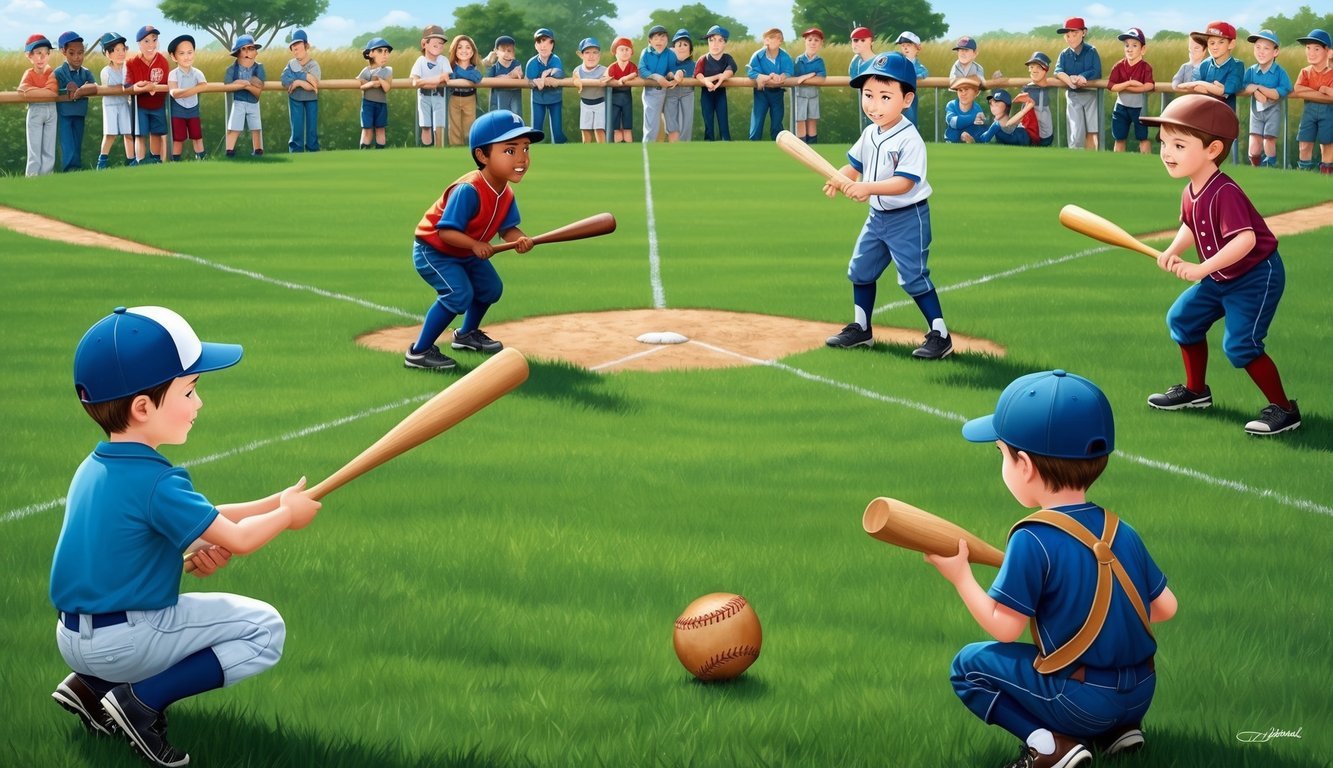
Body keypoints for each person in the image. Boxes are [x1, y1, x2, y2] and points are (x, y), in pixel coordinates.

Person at [51, 305, 321, 767]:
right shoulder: (157, 481)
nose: (199, 404)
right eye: (189, 391)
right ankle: (139, 702)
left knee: (191, 618)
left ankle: (90, 689)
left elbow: (202, 521)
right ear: (142, 408)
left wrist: (273, 502)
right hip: (126, 641)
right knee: (264, 629)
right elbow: (235, 538)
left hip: (73, 638)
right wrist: (286, 517)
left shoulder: (95, 468)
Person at [932, 369, 1177, 768]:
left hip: (1080, 702)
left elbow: (1004, 627)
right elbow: (1166, 608)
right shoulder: (1121, 531)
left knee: (967, 667)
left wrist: (960, 576)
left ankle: (1048, 745)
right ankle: (1119, 732)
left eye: (1002, 454)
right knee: (1094, 679)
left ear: (1024, 464)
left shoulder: (1032, 538)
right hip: (1141, 693)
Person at [1139, 95, 1302, 435]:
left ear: (1212, 150)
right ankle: (1196, 392)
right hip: (1222, 274)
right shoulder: (1191, 190)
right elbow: (1191, 225)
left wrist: (1200, 269)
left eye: (1179, 145)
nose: (1167, 153)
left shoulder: (1225, 191)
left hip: (1256, 277)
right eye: (1164, 143)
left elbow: (1246, 241)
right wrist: (1172, 250)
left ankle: (1285, 410)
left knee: (1241, 346)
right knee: (1182, 319)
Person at [823, 53, 953, 360]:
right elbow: (854, 165)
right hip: (877, 218)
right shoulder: (870, 132)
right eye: (868, 96)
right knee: (860, 270)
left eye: (885, 97)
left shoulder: (910, 139)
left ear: (907, 99)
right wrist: (837, 177)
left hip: (908, 218)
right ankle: (861, 329)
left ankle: (940, 335)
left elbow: (904, 183)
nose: (873, 105)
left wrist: (866, 187)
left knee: (913, 277)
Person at [405, 110, 541, 371]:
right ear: (482, 155)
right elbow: (445, 232)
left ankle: (466, 335)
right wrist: (475, 245)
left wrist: (521, 240)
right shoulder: (469, 190)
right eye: (510, 151)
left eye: (526, 149)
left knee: (491, 288)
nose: (522, 158)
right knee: (458, 294)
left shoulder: (505, 192)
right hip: (434, 251)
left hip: (464, 251)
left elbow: (508, 228)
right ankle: (419, 352)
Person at [1241, 30, 1291, 167]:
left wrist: (1258, 88)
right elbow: (1243, 87)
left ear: (1275, 52)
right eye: (1257, 47)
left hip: (1272, 110)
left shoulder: (1280, 72)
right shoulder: (1251, 70)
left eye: (1266, 48)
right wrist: (1254, 90)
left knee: (1268, 140)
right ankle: (1255, 167)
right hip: (1256, 111)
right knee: (1254, 141)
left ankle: (1270, 165)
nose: (1261, 52)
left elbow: (1280, 91)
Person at [53, 31, 99, 172]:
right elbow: (54, 90)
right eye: (72, 53)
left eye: (80, 53)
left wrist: (83, 90)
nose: (77, 57)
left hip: (80, 111)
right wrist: (66, 91)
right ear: (64, 52)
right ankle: (70, 168)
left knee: (77, 140)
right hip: (65, 113)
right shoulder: (59, 72)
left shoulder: (86, 72)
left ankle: (76, 167)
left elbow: (95, 86)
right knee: (67, 142)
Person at [1054, 17, 1102, 150]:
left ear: (1083, 33)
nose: (1070, 38)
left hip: (1091, 95)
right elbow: (1058, 71)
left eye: (1074, 34)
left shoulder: (1091, 51)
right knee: (1076, 130)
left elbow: (1096, 71)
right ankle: (1074, 158)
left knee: (1093, 129)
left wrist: (1082, 76)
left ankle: (1093, 159)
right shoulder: (1064, 54)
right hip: (1073, 95)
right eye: (1067, 35)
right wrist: (1070, 81)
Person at [126, 25, 169, 163]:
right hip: (140, 106)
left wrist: (153, 86)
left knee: (156, 133)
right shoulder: (132, 62)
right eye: (146, 41)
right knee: (140, 134)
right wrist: (139, 87)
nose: (151, 44)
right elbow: (127, 85)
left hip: (158, 104)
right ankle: (140, 160)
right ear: (139, 44)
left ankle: (156, 159)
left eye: (154, 40)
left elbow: (167, 83)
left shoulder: (163, 61)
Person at [1292, 28, 1333, 173]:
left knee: (1327, 144)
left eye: (1316, 49)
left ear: (1328, 51)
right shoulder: (1305, 71)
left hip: (1328, 114)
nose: (1311, 52)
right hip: (1308, 113)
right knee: (1304, 143)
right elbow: (1298, 89)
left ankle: (1326, 174)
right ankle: (1303, 172)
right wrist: (1322, 93)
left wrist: (1327, 91)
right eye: (1308, 48)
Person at [18, 34, 59, 177]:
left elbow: (53, 93)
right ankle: (31, 179)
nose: (41, 58)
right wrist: (43, 91)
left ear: (49, 54)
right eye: (37, 53)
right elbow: (23, 90)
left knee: (49, 148)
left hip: (51, 110)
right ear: (29, 56)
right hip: (35, 110)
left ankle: (47, 179)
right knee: (34, 149)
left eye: (44, 53)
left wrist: (33, 91)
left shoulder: (51, 72)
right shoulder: (28, 73)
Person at [1108, 28, 1154, 154]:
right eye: (1127, 45)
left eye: (1134, 45)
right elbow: (1111, 86)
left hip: (1139, 108)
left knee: (1143, 137)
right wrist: (1130, 83)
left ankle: (1146, 163)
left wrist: (1125, 87)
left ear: (1143, 49)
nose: (1129, 49)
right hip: (1121, 107)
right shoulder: (1119, 66)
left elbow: (1149, 85)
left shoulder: (1146, 67)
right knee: (1119, 137)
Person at [95, 32, 136, 169]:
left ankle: (131, 160)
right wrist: (124, 88)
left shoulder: (127, 68)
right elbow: (110, 88)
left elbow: (128, 84)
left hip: (124, 103)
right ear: (107, 53)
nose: (120, 53)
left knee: (128, 133)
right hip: (110, 105)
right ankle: (102, 161)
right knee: (110, 134)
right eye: (116, 50)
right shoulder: (106, 71)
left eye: (123, 49)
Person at [1181, 21, 1242, 110]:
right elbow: (1195, 84)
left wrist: (1200, 83)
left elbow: (1226, 89)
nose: (1215, 47)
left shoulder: (1237, 65)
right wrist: (1207, 86)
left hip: (1225, 113)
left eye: (1221, 42)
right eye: (1212, 43)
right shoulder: (1205, 64)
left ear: (1231, 44)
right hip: (1204, 111)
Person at [746, 27, 793, 141]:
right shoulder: (758, 55)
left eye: (778, 38)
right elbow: (750, 71)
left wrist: (783, 76)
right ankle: (754, 145)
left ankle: (778, 145)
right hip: (761, 92)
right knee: (758, 120)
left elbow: (789, 71)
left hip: (777, 92)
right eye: (771, 38)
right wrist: (767, 76)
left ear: (781, 41)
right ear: (765, 40)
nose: (774, 40)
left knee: (777, 121)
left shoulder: (785, 56)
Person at [166, 34, 207, 161]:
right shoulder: (173, 74)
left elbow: (204, 86)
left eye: (190, 52)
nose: (187, 57)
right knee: (179, 137)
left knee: (197, 135)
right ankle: (176, 160)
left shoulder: (197, 72)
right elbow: (174, 92)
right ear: (174, 56)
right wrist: (193, 90)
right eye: (182, 53)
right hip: (178, 109)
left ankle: (201, 157)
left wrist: (184, 92)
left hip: (193, 108)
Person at [223, 34, 265, 157]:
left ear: (256, 52)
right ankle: (229, 150)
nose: (247, 53)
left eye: (251, 49)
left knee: (256, 126)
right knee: (235, 126)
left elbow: (259, 84)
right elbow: (227, 84)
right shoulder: (231, 69)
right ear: (237, 53)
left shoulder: (259, 67)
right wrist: (241, 83)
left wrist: (246, 84)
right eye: (244, 49)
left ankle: (258, 149)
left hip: (253, 101)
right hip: (239, 101)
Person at [411, 25, 451, 148]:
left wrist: (426, 81)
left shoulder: (443, 60)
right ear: (425, 44)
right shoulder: (420, 61)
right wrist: (435, 80)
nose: (439, 47)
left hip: (439, 95)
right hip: (424, 96)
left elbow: (445, 78)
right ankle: (427, 149)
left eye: (441, 44)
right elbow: (415, 82)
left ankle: (439, 149)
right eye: (435, 44)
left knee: (439, 125)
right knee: (425, 125)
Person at [281, 29, 321, 153]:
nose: (295, 49)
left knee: (312, 129)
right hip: (295, 98)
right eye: (293, 47)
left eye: (298, 46)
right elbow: (285, 79)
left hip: (311, 99)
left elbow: (314, 84)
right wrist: (304, 77)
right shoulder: (291, 64)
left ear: (306, 46)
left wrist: (298, 82)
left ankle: (313, 152)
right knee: (296, 128)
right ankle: (295, 152)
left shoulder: (314, 65)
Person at [694, 26, 735, 141]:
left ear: (725, 43)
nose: (715, 44)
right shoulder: (703, 59)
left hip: (721, 94)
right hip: (706, 95)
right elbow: (698, 74)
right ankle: (708, 143)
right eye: (711, 40)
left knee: (723, 120)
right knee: (708, 121)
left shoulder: (727, 58)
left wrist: (722, 77)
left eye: (720, 40)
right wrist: (707, 81)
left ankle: (726, 142)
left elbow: (731, 69)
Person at [526, 27, 566, 144]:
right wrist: (538, 81)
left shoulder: (555, 59)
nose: (543, 46)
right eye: (539, 42)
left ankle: (560, 154)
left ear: (552, 44)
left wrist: (549, 72)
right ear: (535, 45)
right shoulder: (532, 62)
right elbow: (531, 80)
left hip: (555, 99)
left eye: (546, 41)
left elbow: (559, 73)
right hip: (538, 100)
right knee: (536, 129)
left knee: (557, 131)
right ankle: (535, 154)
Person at [791, 27, 826, 144]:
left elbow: (821, 78)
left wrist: (806, 76)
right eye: (810, 39)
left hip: (813, 95)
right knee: (800, 119)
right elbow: (796, 78)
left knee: (812, 120)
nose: (813, 43)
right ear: (805, 41)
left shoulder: (819, 61)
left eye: (816, 40)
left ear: (821, 43)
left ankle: (813, 145)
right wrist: (810, 75)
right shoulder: (799, 60)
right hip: (800, 95)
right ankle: (801, 145)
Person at [639, 25, 673, 142]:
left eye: (663, 38)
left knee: (672, 126)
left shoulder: (670, 53)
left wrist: (671, 75)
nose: (659, 41)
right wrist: (657, 77)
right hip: (651, 92)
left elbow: (673, 68)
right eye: (656, 38)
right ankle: (647, 154)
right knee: (651, 127)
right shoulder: (646, 53)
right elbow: (642, 70)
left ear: (667, 40)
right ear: (650, 40)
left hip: (670, 91)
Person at [358, 38, 393, 149]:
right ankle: (364, 152)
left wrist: (380, 81)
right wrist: (371, 84)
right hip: (367, 103)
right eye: (380, 51)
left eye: (386, 51)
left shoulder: (388, 70)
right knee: (367, 129)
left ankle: (380, 153)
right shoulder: (366, 71)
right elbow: (361, 84)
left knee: (380, 128)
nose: (384, 54)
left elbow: (387, 88)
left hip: (381, 104)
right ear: (371, 53)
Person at [448, 35, 483, 148]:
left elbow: (477, 78)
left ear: (473, 51)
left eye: (468, 47)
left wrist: (467, 75)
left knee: (469, 125)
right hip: (454, 97)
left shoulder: (474, 68)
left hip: (470, 98)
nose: (464, 50)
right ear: (454, 50)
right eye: (460, 47)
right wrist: (466, 75)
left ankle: (470, 149)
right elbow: (452, 76)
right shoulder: (451, 68)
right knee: (454, 127)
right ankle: (455, 150)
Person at [1015, 52, 1055, 146]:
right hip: (1029, 132)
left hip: (1044, 135)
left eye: (1038, 67)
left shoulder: (1050, 85)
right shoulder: (1027, 88)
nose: (1034, 70)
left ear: (1045, 70)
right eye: (1031, 67)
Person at [573, 37, 609, 143]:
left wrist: (604, 79)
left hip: (600, 103)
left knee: (599, 129)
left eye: (595, 52)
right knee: (585, 130)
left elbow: (609, 77)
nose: (591, 56)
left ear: (599, 55)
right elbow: (575, 78)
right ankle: (586, 154)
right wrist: (577, 81)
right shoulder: (578, 70)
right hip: (585, 103)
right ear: (581, 55)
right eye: (587, 52)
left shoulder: (604, 70)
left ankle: (602, 153)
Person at [665, 29, 695, 142]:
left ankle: (684, 149)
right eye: (679, 44)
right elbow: (666, 72)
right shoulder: (668, 62)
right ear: (673, 48)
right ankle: (673, 147)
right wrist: (671, 74)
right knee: (671, 121)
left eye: (685, 44)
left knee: (686, 122)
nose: (682, 47)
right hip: (671, 91)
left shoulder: (693, 64)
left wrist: (681, 72)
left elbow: (689, 70)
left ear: (690, 49)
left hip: (687, 92)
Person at [607, 36, 639, 143]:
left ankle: (630, 148)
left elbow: (634, 73)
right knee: (616, 128)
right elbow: (607, 77)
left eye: (627, 50)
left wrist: (625, 78)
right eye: (621, 49)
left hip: (627, 98)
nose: (624, 52)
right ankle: (618, 149)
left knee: (627, 127)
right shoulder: (612, 67)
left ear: (631, 52)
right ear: (615, 52)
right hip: (614, 98)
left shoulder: (631, 66)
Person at [485, 35, 525, 118]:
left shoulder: (516, 64)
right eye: (503, 50)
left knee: (515, 120)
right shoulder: (494, 67)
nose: (506, 53)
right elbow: (489, 80)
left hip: (513, 101)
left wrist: (500, 78)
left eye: (509, 51)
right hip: (498, 102)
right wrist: (510, 76)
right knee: (499, 120)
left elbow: (519, 75)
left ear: (514, 53)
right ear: (496, 51)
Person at [896, 31, 928, 126]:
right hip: (896, 95)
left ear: (917, 48)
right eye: (902, 45)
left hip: (910, 95)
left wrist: (915, 76)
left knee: (911, 119)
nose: (905, 48)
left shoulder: (919, 67)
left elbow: (924, 72)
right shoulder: (897, 63)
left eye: (909, 45)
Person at [848, 27, 875, 130]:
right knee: (865, 126)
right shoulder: (856, 61)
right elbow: (853, 76)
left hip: (876, 101)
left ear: (871, 42)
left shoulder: (877, 61)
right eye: (855, 40)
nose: (857, 43)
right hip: (863, 99)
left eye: (862, 40)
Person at [944, 77, 986, 143]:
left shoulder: (977, 109)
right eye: (960, 90)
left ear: (976, 93)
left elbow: (981, 130)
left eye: (966, 89)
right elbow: (952, 122)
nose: (963, 94)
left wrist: (972, 139)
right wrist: (973, 118)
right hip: (951, 144)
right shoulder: (952, 105)